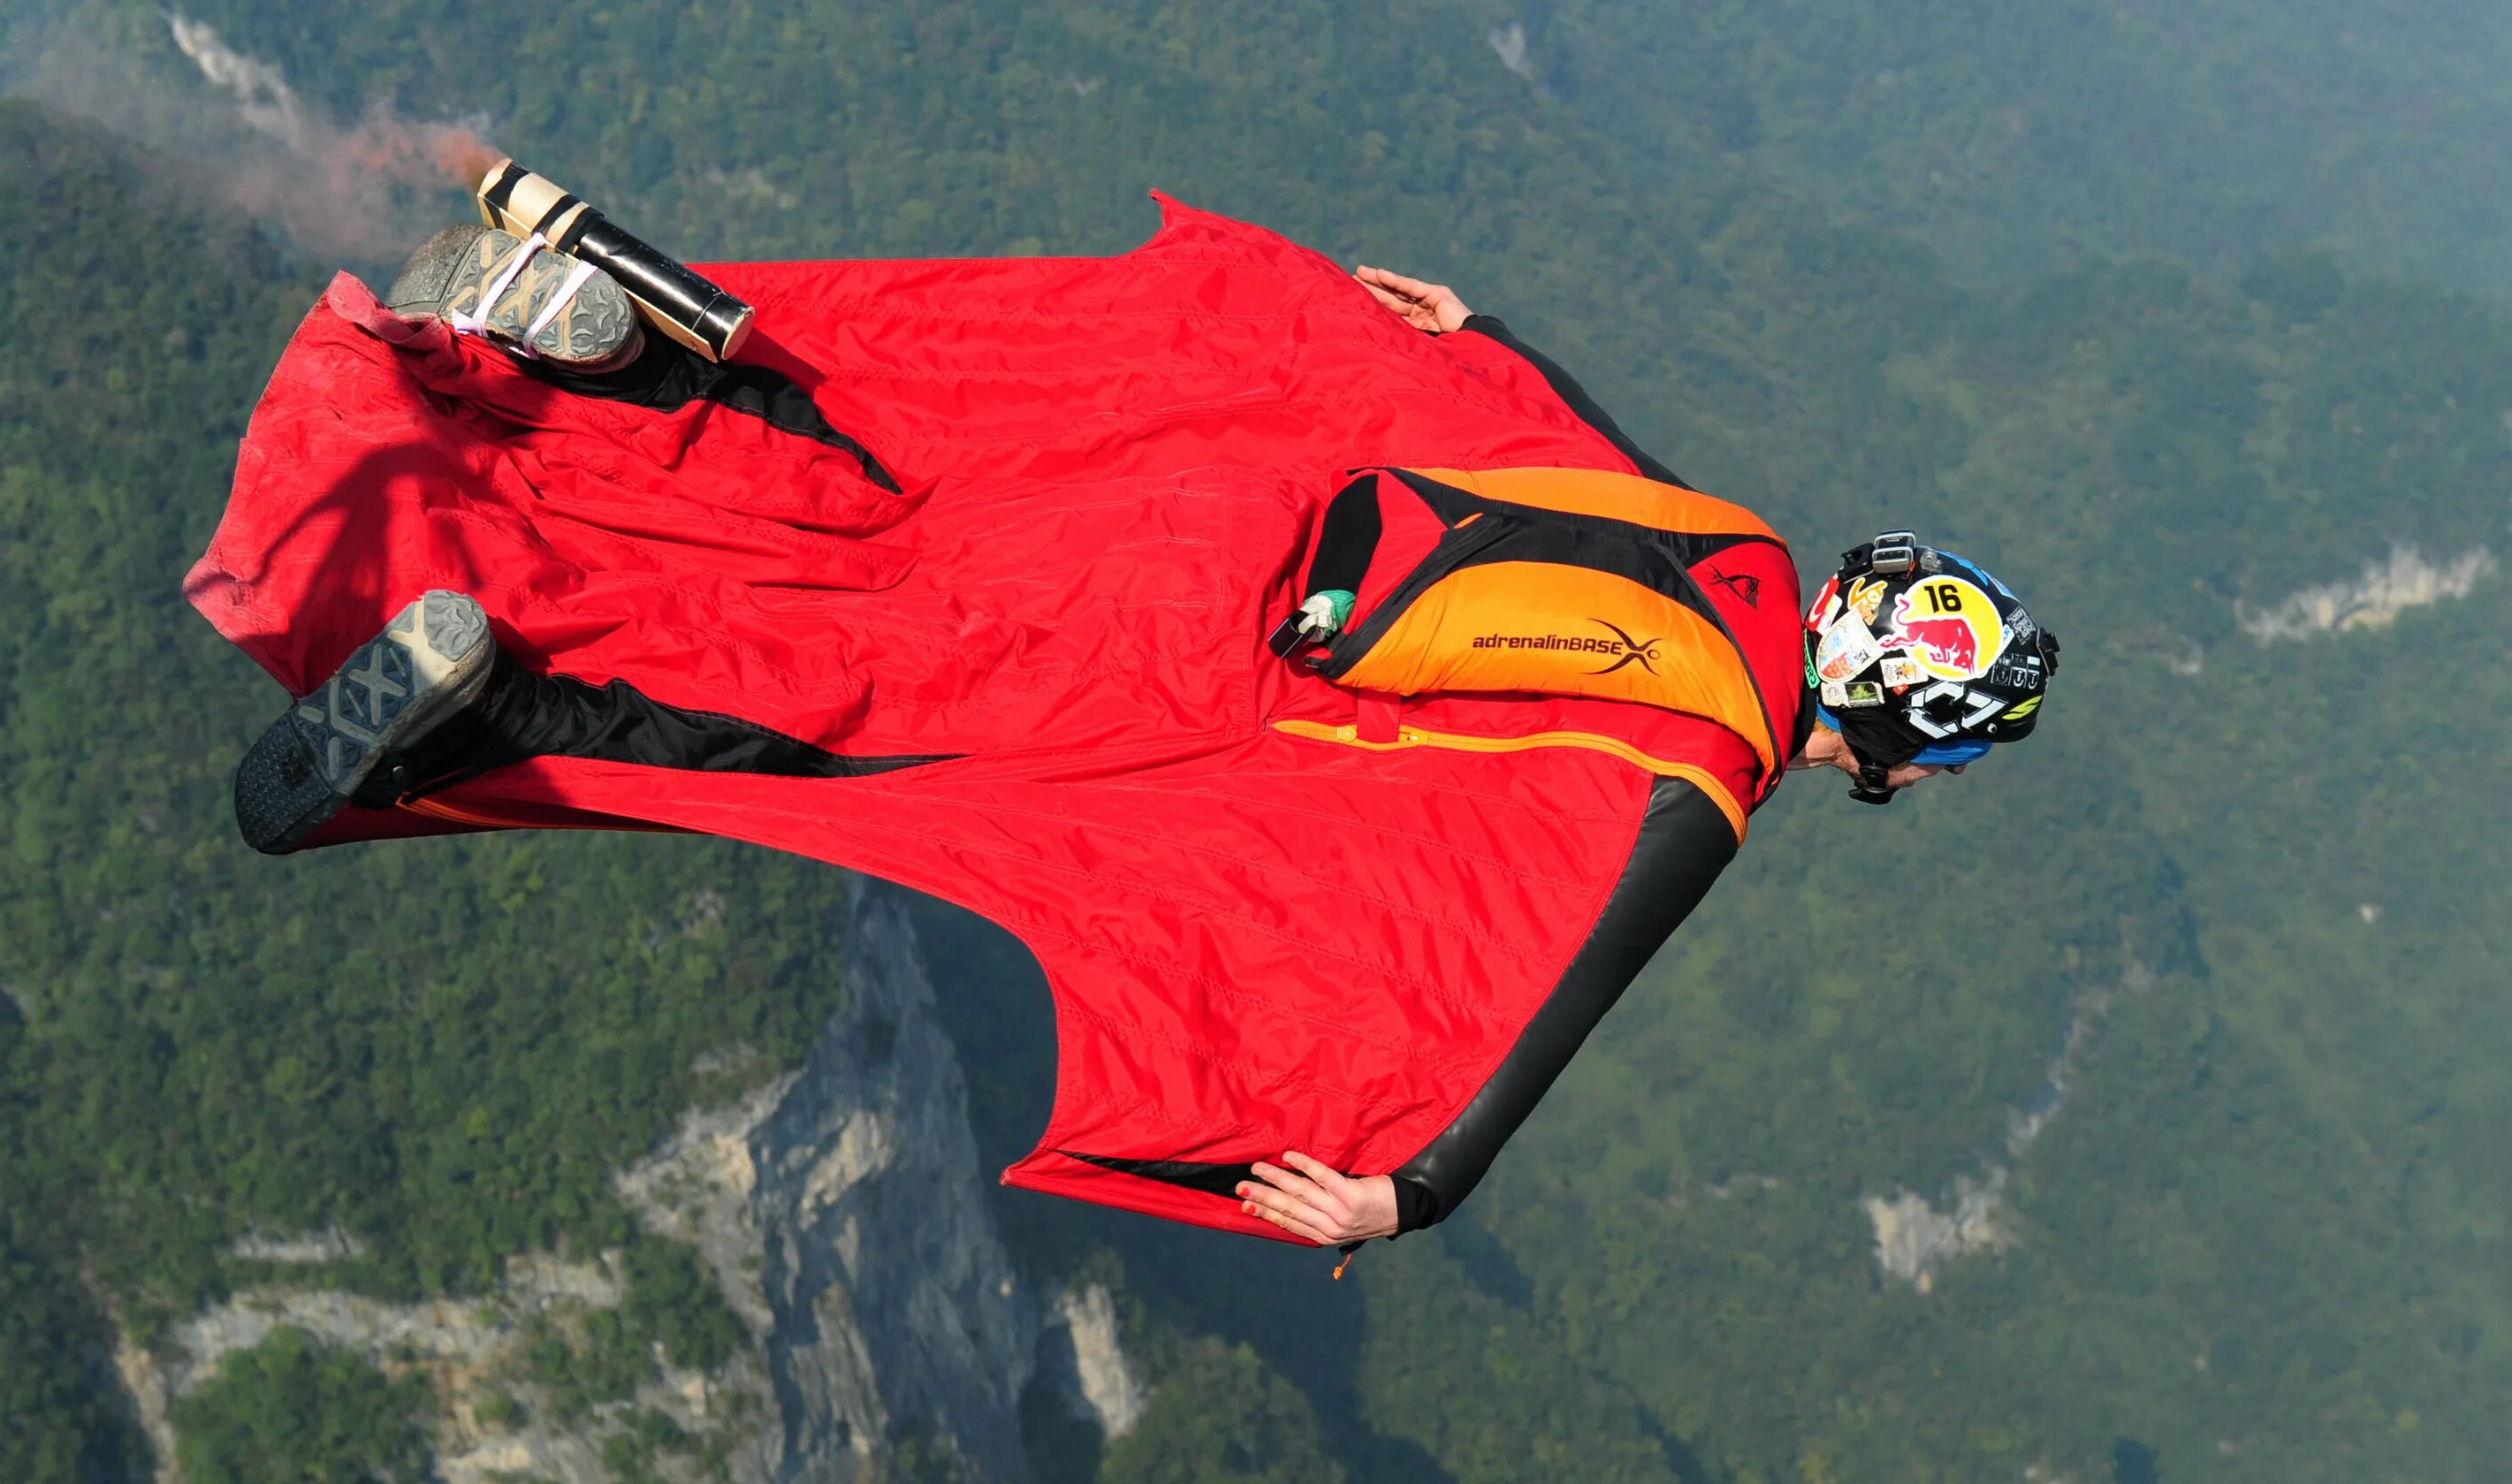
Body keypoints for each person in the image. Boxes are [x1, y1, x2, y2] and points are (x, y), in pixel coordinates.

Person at [211, 206, 2057, 1253]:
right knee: (866, 750)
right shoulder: (1709, 776)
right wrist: (1415, 1188)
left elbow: (1581, 442)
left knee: (918, 492)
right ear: (1899, 740)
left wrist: (1480, 325)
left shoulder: (1728, 541)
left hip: (1217, 501)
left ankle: (625, 368)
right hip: (1191, 669)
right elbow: (1574, 977)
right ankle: (493, 717)